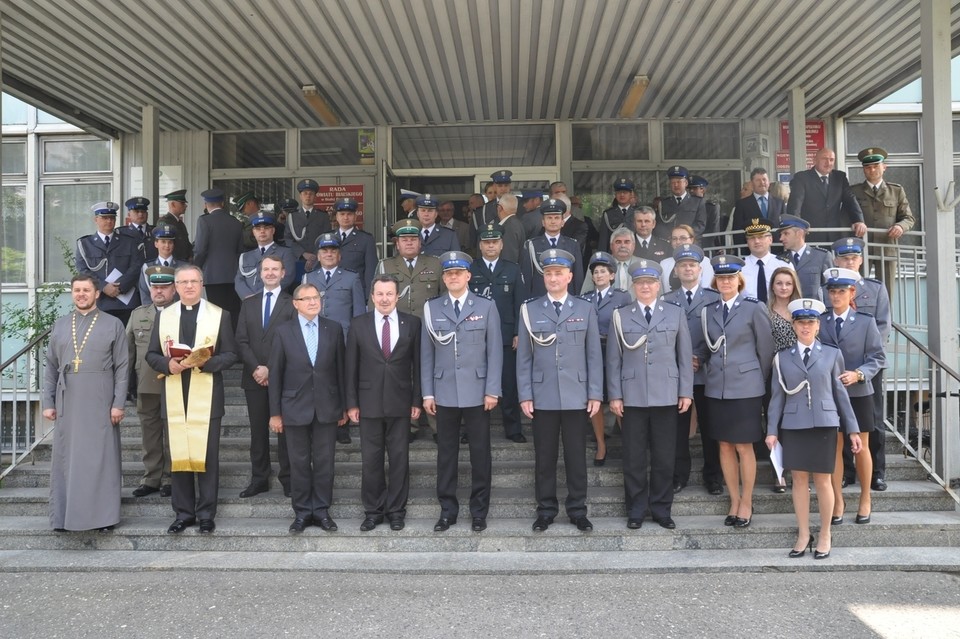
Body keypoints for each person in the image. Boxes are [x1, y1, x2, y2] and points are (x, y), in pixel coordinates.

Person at [766, 298, 861, 560]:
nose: (805, 327)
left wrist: (852, 429)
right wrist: (771, 430)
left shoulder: (832, 354)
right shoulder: (782, 358)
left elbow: (841, 395)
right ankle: (803, 533)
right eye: (800, 322)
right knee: (798, 479)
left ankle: (825, 533)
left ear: (818, 326)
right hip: (794, 423)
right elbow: (777, 396)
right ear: (794, 325)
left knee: (822, 480)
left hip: (824, 423)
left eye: (810, 322)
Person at [146, 264, 238, 535]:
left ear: (202, 284)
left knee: (207, 458)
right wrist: (167, 364)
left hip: (207, 396)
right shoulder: (163, 317)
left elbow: (231, 354)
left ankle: (207, 514)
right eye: (183, 282)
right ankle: (183, 514)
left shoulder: (220, 315)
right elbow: (151, 354)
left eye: (194, 281)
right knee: (178, 457)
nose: (188, 286)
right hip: (175, 394)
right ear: (175, 287)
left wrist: (207, 363)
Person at [517, 248, 603, 533]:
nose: (553, 278)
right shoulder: (530, 310)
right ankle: (546, 510)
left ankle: (578, 510)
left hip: (577, 394)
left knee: (577, 457)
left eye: (558, 273)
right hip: (543, 396)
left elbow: (594, 355)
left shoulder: (584, 308)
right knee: (544, 457)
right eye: (548, 273)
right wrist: (525, 394)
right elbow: (524, 357)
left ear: (569, 276)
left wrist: (594, 393)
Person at [608, 259, 693, 529]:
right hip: (632, 395)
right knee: (633, 457)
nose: (645, 286)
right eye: (640, 282)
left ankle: (661, 508)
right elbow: (613, 360)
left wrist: (686, 392)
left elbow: (683, 356)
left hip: (667, 395)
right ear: (633, 286)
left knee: (664, 456)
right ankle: (635, 509)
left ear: (659, 285)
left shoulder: (674, 313)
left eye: (650, 282)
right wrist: (615, 395)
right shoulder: (621, 315)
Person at [422, 251, 502, 533]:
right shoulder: (431, 308)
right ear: (443, 278)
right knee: (446, 454)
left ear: (468, 276)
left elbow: (494, 351)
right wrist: (427, 393)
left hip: (478, 391)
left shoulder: (486, 306)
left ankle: (479, 511)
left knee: (480, 454)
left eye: (458, 272)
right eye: (448, 273)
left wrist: (493, 389)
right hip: (443, 391)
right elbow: (427, 354)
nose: (453, 277)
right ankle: (448, 511)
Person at [42, 274, 128, 532]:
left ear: (97, 293)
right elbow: (51, 366)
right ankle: (63, 517)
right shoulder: (60, 325)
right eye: (77, 290)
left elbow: (123, 367)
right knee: (69, 458)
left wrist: (118, 403)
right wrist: (47, 401)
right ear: (72, 293)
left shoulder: (113, 324)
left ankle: (103, 518)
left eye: (86, 290)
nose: (81, 294)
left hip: (101, 398)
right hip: (68, 399)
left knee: (100, 458)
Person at [701, 254, 774, 528]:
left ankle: (746, 500)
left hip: (746, 388)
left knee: (744, 446)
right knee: (724, 445)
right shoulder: (709, 310)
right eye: (721, 278)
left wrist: (758, 379)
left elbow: (765, 349)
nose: (725, 282)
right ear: (715, 281)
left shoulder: (754, 307)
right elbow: (706, 347)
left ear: (739, 280)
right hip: (717, 387)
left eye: (730, 277)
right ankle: (733, 499)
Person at [268, 283, 347, 534]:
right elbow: (276, 374)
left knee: (325, 463)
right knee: (299, 463)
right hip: (293, 407)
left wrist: (343, 407)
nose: (313, 302)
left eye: (316, 298)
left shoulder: (333, 329)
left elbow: (340, 371)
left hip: (327, 406)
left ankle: (322, 511)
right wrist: (275, 412)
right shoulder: (283, 331)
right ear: (296, 303)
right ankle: (302, 512)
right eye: (307, 298)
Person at [345, 275, 422, 532]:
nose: (385, 298)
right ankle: (373, 511)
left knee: (400, 459)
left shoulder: (412, 323)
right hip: (367, 403)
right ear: (372, 296)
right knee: (371, 460)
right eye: (380, 294)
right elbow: (350, 367)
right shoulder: (358, 324)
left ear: (397, 296)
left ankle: (397, 511)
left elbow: (418, 366)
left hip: (401, 403)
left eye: (390, 293)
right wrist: (352, 403)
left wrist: (416, 400)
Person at [822, 237, 891, 492]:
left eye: (854, 257)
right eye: (844, 258)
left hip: (865, 368)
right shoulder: (825, 290)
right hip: (835, 373)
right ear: (836, 260)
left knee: (872, 422)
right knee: (840, 425)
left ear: (861, 260)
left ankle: (877, 473)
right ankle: (847, 472)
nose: (849, 261)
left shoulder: (875, 288)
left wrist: (863, 369)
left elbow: (882, 326)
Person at [819, 267, 886, 526]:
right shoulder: (820, 322)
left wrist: (859, 374)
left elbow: (877, 358)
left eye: (841, 291)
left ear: (852, 293)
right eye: (832, 291)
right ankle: (837, 500)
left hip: (858, 392)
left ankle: (865, 497)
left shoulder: (866, 322)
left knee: (862, 447)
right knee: (834, 447)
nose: (836, 296)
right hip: (830, 394)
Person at [660, 244, 723, 495]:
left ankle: (713, 476)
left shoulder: (714, 298)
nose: (688, 268)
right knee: (677, 428)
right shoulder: (666, 300)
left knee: (711, 427)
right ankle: (679, 475)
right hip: (677, 373)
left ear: (700, 268)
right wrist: (683, 359)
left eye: (692, 265)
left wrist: (701, 356)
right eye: (683, 265)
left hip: (708, 372)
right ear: (676, 270)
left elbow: (720, 335)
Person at [235, 256, 297, 499]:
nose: (270, 273)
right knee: (257, 432)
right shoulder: (248, 304)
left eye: (275, 269)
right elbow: (241, 340)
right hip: (254, 378)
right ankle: (259, 478)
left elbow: (294, 341)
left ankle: (288, 478)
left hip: (284, 377)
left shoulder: (292, 303)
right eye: (266, 269)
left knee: (285, 431)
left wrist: (271, 368)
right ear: (259, 274)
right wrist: (257, 368)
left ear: (284, 273)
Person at [468, 223, 527, 443]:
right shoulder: (470, 269)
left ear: (501, 245)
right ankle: (471, 430)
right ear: (480, 245)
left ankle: (513, 429)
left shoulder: (513, 269)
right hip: (474, 336)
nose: (490, 246)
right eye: (486, 242)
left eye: (494, 242)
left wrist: (517, 332)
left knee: (508, 384)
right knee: (474, 383)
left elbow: (520, 303)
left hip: (504, 336)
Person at [127, 266, 177, 499]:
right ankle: (151, 478)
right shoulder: (138, 314)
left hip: (176, 382)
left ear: (173, 289)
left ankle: (172, 477)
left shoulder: (181, 313)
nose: (159, 291)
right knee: (150, 432)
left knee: (173, 432)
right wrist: (127, 383)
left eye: (164, 286)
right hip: (146, 383)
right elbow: (128, 352)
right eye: (155, 286)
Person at [579, 251, 632, 465]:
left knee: (618, 397)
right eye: (596, 272)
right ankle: (601, 444)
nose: (599, 275)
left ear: (612, 275)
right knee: (596, 400)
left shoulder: (622, 297)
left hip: (615, 352)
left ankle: (629, 443)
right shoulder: (584, 299)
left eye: (604, 271)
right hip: (592, 354)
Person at [851, 146, 916, 297]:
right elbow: (844, 217)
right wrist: (854, 223)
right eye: (867, 167)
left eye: (876, 166)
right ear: (863, 170)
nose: (872, 170)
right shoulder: (854, 191)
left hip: (886, 248)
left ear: (884, 167)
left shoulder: (896, 191)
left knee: (886, 293)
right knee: (857, 291)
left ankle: (885, 321)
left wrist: (900, 226)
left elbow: (908, 218)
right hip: (860, 250)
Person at [74, 201, 146, 326]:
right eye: (104, 218)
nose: (109, 221)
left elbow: (136, 266)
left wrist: (121, 286)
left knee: (126, 341)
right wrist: (103, 287)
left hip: (126, 302)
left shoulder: (129, 241)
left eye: (112, 218)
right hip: (100, 301)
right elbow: (83, 270)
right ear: (96, 219)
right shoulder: (85, 244)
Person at [786, 148, 867, 242]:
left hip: (835, 235)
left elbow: (850, 199)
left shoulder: (840, 177)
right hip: (810, 234)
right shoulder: (802, 178)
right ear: (815, 160)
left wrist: (859, 220)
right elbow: (795, 204)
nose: (828, 163)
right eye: (824, 159)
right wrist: (797, 226)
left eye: (831, 159)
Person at [303, 232, 366, 343]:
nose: (329, 254)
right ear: (318, 256)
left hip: (344, 338)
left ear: (339, 255)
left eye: (333, 251)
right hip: (314, 337)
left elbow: (359, 314)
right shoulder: (308, 278)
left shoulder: (352, 278)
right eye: (324, 251)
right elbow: (302, 311)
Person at [377, 218, 446, 320]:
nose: (409, 243)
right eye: (404, 240)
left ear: (419, 243)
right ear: (397, 244)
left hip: (428, 323)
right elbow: (375, 300)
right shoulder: (385, 266)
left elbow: (445, 296)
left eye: (413, 239)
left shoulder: (436, 263)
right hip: (396, 324)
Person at [193, 188, 243, 329]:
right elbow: (239, 251)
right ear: (222, 203)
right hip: (233, 276)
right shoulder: (236, 222)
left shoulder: (204, 221)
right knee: (232, 314)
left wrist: (196, 268)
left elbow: (200, 250)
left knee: (215, 314)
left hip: (212, 276)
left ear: (206, 204)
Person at [520, 198, 584, 298]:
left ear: (563, 222)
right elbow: (527, 279)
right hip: (539, 300)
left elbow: (578, 278)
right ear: (543, 222)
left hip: (566, 300)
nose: (553, 221)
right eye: (549, 218)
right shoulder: (531, 245)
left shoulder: (572, 245)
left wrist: (577, 301)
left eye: (556, 218)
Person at [234, 214, 297, 300]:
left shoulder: (285, 253)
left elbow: (287, 278)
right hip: (248, 303)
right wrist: (247, 297)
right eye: (258, 228)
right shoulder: (245, 256)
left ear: (273, 230)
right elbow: (239, 280)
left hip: (276, 302)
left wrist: (259, 296)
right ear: (253, 232)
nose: (262, 231)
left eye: (266, 228)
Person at [329, 196, 377, 298]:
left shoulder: (366, 239)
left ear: (355, 217)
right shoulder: (328, 238)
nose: (346, 218)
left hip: (356, 292)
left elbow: (370, 272)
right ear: (336, 217)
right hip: (331, 292)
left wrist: (369, 298)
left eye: (349, 214)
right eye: (342, 214)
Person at [777, 214, 832, 298]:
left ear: (799, 233)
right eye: (781, 234)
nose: (781, 238)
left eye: (786, 233)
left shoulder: (822, 256)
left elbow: (830, 288)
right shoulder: (780, 259)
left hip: (814, 309)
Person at [286, 179, 332, 277]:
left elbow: (327, 237)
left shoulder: (322, 216)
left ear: (315, 197)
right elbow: (288, 239)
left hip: (319, 260)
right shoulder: (292, 216)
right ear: (300, 196)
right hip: (297, 259)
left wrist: (315, 256)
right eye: (305, 193)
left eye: (311, 194)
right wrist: (303, 253)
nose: (308, 196)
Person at [741, 218, 792, 302]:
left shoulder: (783, 265)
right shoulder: (739, 267)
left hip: (777, 312)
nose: (756, 241)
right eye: (752, 238)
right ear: (747, 242)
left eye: (761, 237)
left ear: (770, 239)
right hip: (747, 313)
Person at [658, 224, 714, 293]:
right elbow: (662, 291)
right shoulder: (664, 263)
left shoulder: (704, 261)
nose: (678, 242)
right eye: (674, 239)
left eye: (683, 238)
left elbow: (707, 288)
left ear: (691, 239)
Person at [656, 165, 707, 240]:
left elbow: (700, 225)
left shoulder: (697, 202)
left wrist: (685, 237)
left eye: (678, 182)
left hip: (691, 242)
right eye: (673, 182)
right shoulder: (663, 203)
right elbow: (659, 225)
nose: (676, 185)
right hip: (669, 243)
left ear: (686, 183)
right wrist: (672, 237)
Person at [139, 225, 184, 303]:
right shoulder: (147, 267)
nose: (167, 245)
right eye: (163, 242)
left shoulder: (184, 267)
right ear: (156, 244)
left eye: (170, 242)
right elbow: (145, 294)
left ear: (173, 245)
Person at [732, 168, 785, 233]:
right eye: (758, 180)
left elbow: (784, 227)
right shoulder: (742, 204)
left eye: (764, 179)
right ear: (752, 183)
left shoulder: (779, 203)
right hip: (753, 242)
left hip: (775, 243)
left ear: (769, 182)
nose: (762, 182)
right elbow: (737, 231)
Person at [768, 266, 802, 352]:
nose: (784, 287)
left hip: (801, 361)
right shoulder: (765, 312)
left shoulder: (802, 310)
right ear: (772, 286)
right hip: (775, 361)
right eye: (779, 283)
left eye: (788, 284)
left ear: (794, 286)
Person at [598, 178, 636, 253]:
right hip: (613, 256)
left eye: (625, 192)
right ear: (615, 194)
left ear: (631, 194)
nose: (622, 195)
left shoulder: (637, 213)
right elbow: (603, 240)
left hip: (634, 256)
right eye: (619, 192)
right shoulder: (608, 214)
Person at [158, 189, 193, 262]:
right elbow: (164, 246)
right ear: (173, 204)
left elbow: (186, 243)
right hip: (173, 264)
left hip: (183, 264)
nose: (186, 206)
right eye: (182, 203)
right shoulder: (165, 222)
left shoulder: (180, 223)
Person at [495, 192, 527, 264]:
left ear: (499, 208)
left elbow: (508, 256)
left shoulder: (509, 227)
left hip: (508, 272)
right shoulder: (516, 223)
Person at [687, 176, 720, 243]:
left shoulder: (711, 206)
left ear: (703, 189)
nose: (691, 191)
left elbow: (714, 228)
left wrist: (717, 245)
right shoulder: (686, 204)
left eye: (694, 188)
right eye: (689, 188)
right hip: (688, 240)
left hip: (705, 242)